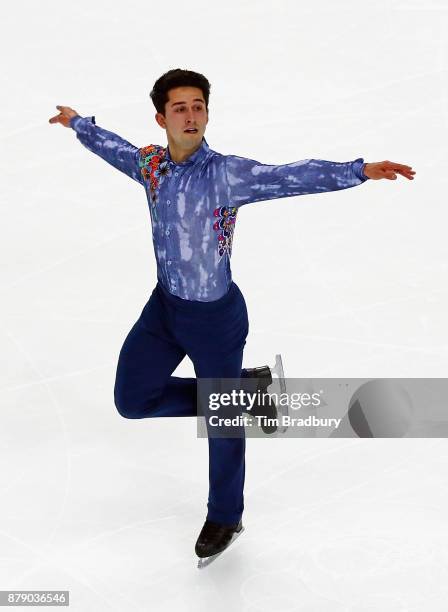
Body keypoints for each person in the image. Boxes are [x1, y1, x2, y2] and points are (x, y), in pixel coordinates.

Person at [49, 68, 416, 564]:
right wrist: (79, 124)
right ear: (162, 118)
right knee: (133, 399)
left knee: (225, 423)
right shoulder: (152, 166)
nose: (191, 114)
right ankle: (244, 393)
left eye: (198, 105)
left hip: (216, 319)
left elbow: (291, 175)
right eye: (180, 107)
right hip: (164, 309)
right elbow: (113, 147)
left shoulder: (226, 174)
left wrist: (358, 170)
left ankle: (226, 513)